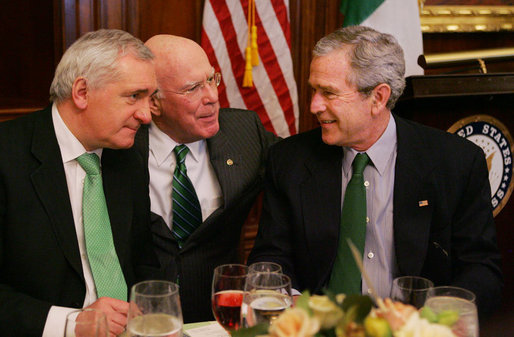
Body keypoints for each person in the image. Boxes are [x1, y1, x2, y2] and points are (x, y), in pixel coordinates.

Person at [248, 26, 503, 319]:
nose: (314, 105)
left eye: (328, 93)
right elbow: (270, 259)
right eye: (314, 90)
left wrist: (433, 319)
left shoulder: (455, 162)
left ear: (378, 98)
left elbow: (481, 270)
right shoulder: (289, 160)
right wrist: (286, 303)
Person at [0, 29, 161, 337]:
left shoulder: (127, 157)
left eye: (150, 98)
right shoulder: (7, 157)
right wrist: (70, 323)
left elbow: (144, 261)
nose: (146, 115)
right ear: (82, 92)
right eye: (134, 96)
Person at [134, 35, 278, 323]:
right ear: (153, 103)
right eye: (192, 88)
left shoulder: (244, 132)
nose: (212, 97)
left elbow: (302, 169)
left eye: (212, 79)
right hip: (143, 318)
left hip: (221, 318)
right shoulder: (121, 145)